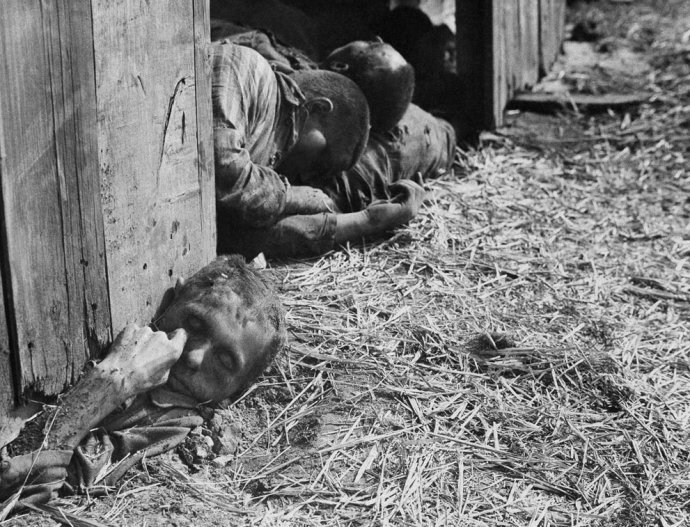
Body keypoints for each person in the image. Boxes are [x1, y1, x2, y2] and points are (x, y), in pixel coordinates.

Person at [0, 256, 286, 506]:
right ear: (173, 299)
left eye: (224, 361)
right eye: (194, 324)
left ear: (236, 391)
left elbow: (26, 490)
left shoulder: (172, 424)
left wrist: (112, 383)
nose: (194, 358)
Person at [212, 41, 426, 258]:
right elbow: (223, 171)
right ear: (317, 108)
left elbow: (243, 239)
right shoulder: (245, 68)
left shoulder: (266, 160)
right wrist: (294, 197)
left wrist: (368, 221)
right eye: (320, 162)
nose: (305, 176)